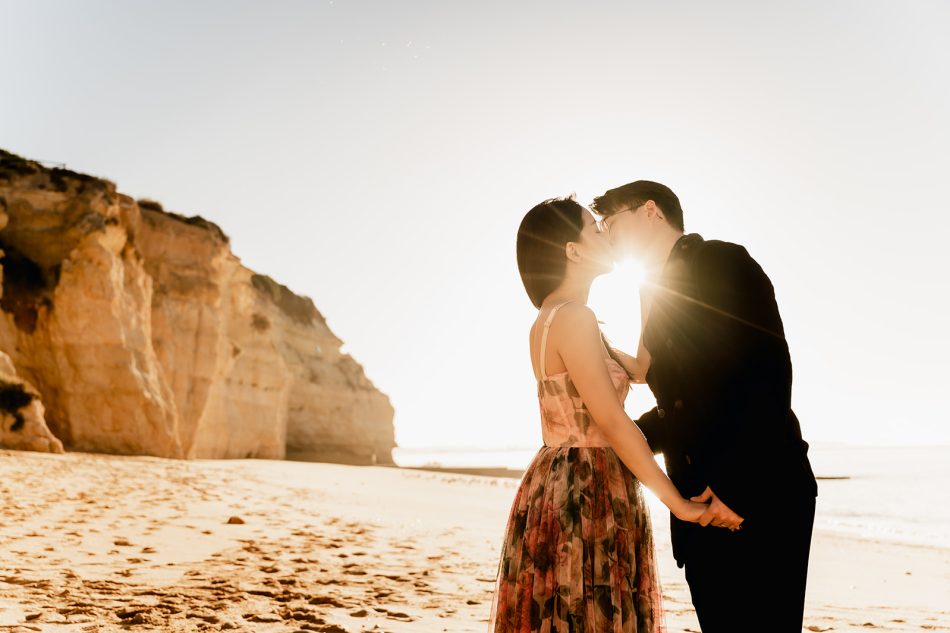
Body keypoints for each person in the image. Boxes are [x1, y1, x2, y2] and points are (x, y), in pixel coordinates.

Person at [591, 180, 819, 633]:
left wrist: (733, 486)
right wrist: (607, 439)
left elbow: (768, 376)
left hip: (761, 495)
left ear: (651, 212)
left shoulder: (723, 260)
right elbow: (677, 407)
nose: (607, 235)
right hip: (698, 511)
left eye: (611, 223)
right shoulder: (653, 293)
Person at [488, 195, 718, 633]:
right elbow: (612, 421)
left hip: (564, 478)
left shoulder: (557, 317)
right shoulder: (574, 317)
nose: (604, 234)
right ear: (572, 251)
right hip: (585, 486)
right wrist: (677, 504)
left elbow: (645, 369)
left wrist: (648, 281)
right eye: (594, 228)